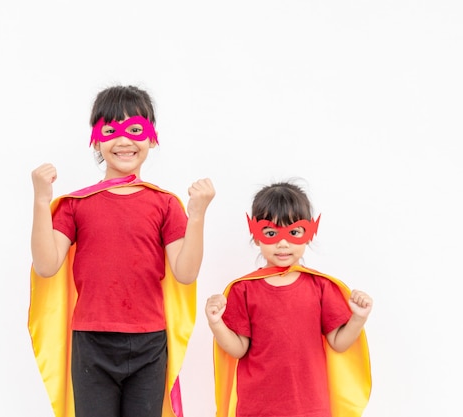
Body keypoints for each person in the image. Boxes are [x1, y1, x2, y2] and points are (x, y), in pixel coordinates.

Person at [28, 85, 215, 417]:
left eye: (135, 129)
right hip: (91, 342)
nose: (124, 140)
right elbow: (46, 265)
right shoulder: (76, 205)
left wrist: (196, 215)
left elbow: (185, 273)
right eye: (110, 130)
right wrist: (42, 201)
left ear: (152, 138)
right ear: (96, 140)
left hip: (149, 344)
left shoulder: (165, 204)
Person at [205, 181, 372, 417]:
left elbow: (339, 342)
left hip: (310, 407)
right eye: (271, 233)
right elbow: (238, 349)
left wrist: (358, 318)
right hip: (258, 408)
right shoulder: (242, 289)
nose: (283, 243)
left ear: (309, 234)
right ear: (256, 236)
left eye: (294, 232)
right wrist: (216, 323)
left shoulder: (321, 287)